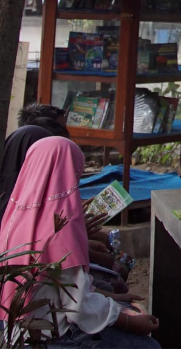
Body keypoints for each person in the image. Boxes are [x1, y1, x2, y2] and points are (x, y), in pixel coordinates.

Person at [0, 137, 160, 348]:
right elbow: (78, 306)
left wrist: (111, 298)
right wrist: (130, 322)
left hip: (17, 331)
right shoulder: (60, 226)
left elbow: (65, 288)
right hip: (53, 336)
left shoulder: (14, 218)